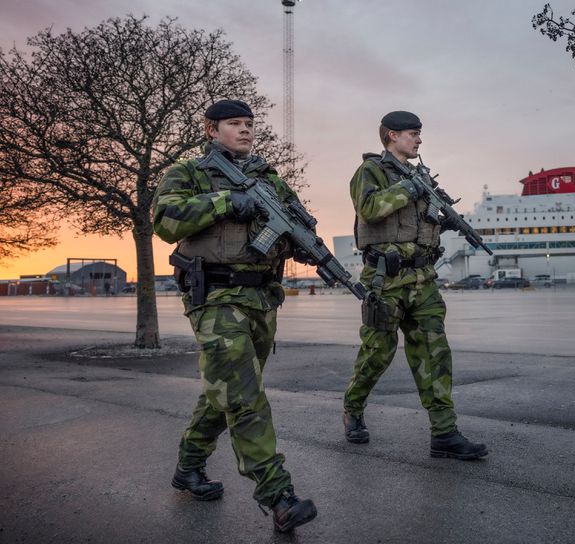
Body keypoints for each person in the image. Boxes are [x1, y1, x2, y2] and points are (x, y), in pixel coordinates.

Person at [152, 99, 317, 533]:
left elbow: (297, 228)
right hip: (216, 299)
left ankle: (188, 466)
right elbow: (166, 220)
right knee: (244, 395)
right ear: (211, 129)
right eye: (234, 124)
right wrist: (226, 201)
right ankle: (278, 494)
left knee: (222, 391)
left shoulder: (271, 179)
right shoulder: (187, 173)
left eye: (249, 123)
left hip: (262, 299)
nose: (245, 130)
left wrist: (303, 241)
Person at [342, 110, 488, 460]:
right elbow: (371, 209)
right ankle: (353, 407)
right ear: (391, 136)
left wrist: (443, 224)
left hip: (423, 279)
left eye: (419, 134)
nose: (419, 140)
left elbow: (419, 222)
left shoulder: (419, 176)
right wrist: (410, 187)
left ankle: (445, 432)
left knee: (435, 353)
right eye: (412, 134)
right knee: (378, 352)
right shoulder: (370, 171)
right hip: (385, 279)